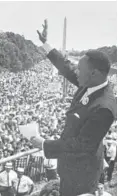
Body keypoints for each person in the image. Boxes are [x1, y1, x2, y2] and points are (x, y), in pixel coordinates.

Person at [31, 20, 116, 196]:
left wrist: (45, 145)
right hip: (69, 164)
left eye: (80, 69)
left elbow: (82, 145)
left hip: (82, 173)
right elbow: (66, 68)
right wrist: (46, 44)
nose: (76, 72)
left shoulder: (105, 107)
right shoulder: (91, 83)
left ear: (94, 74)